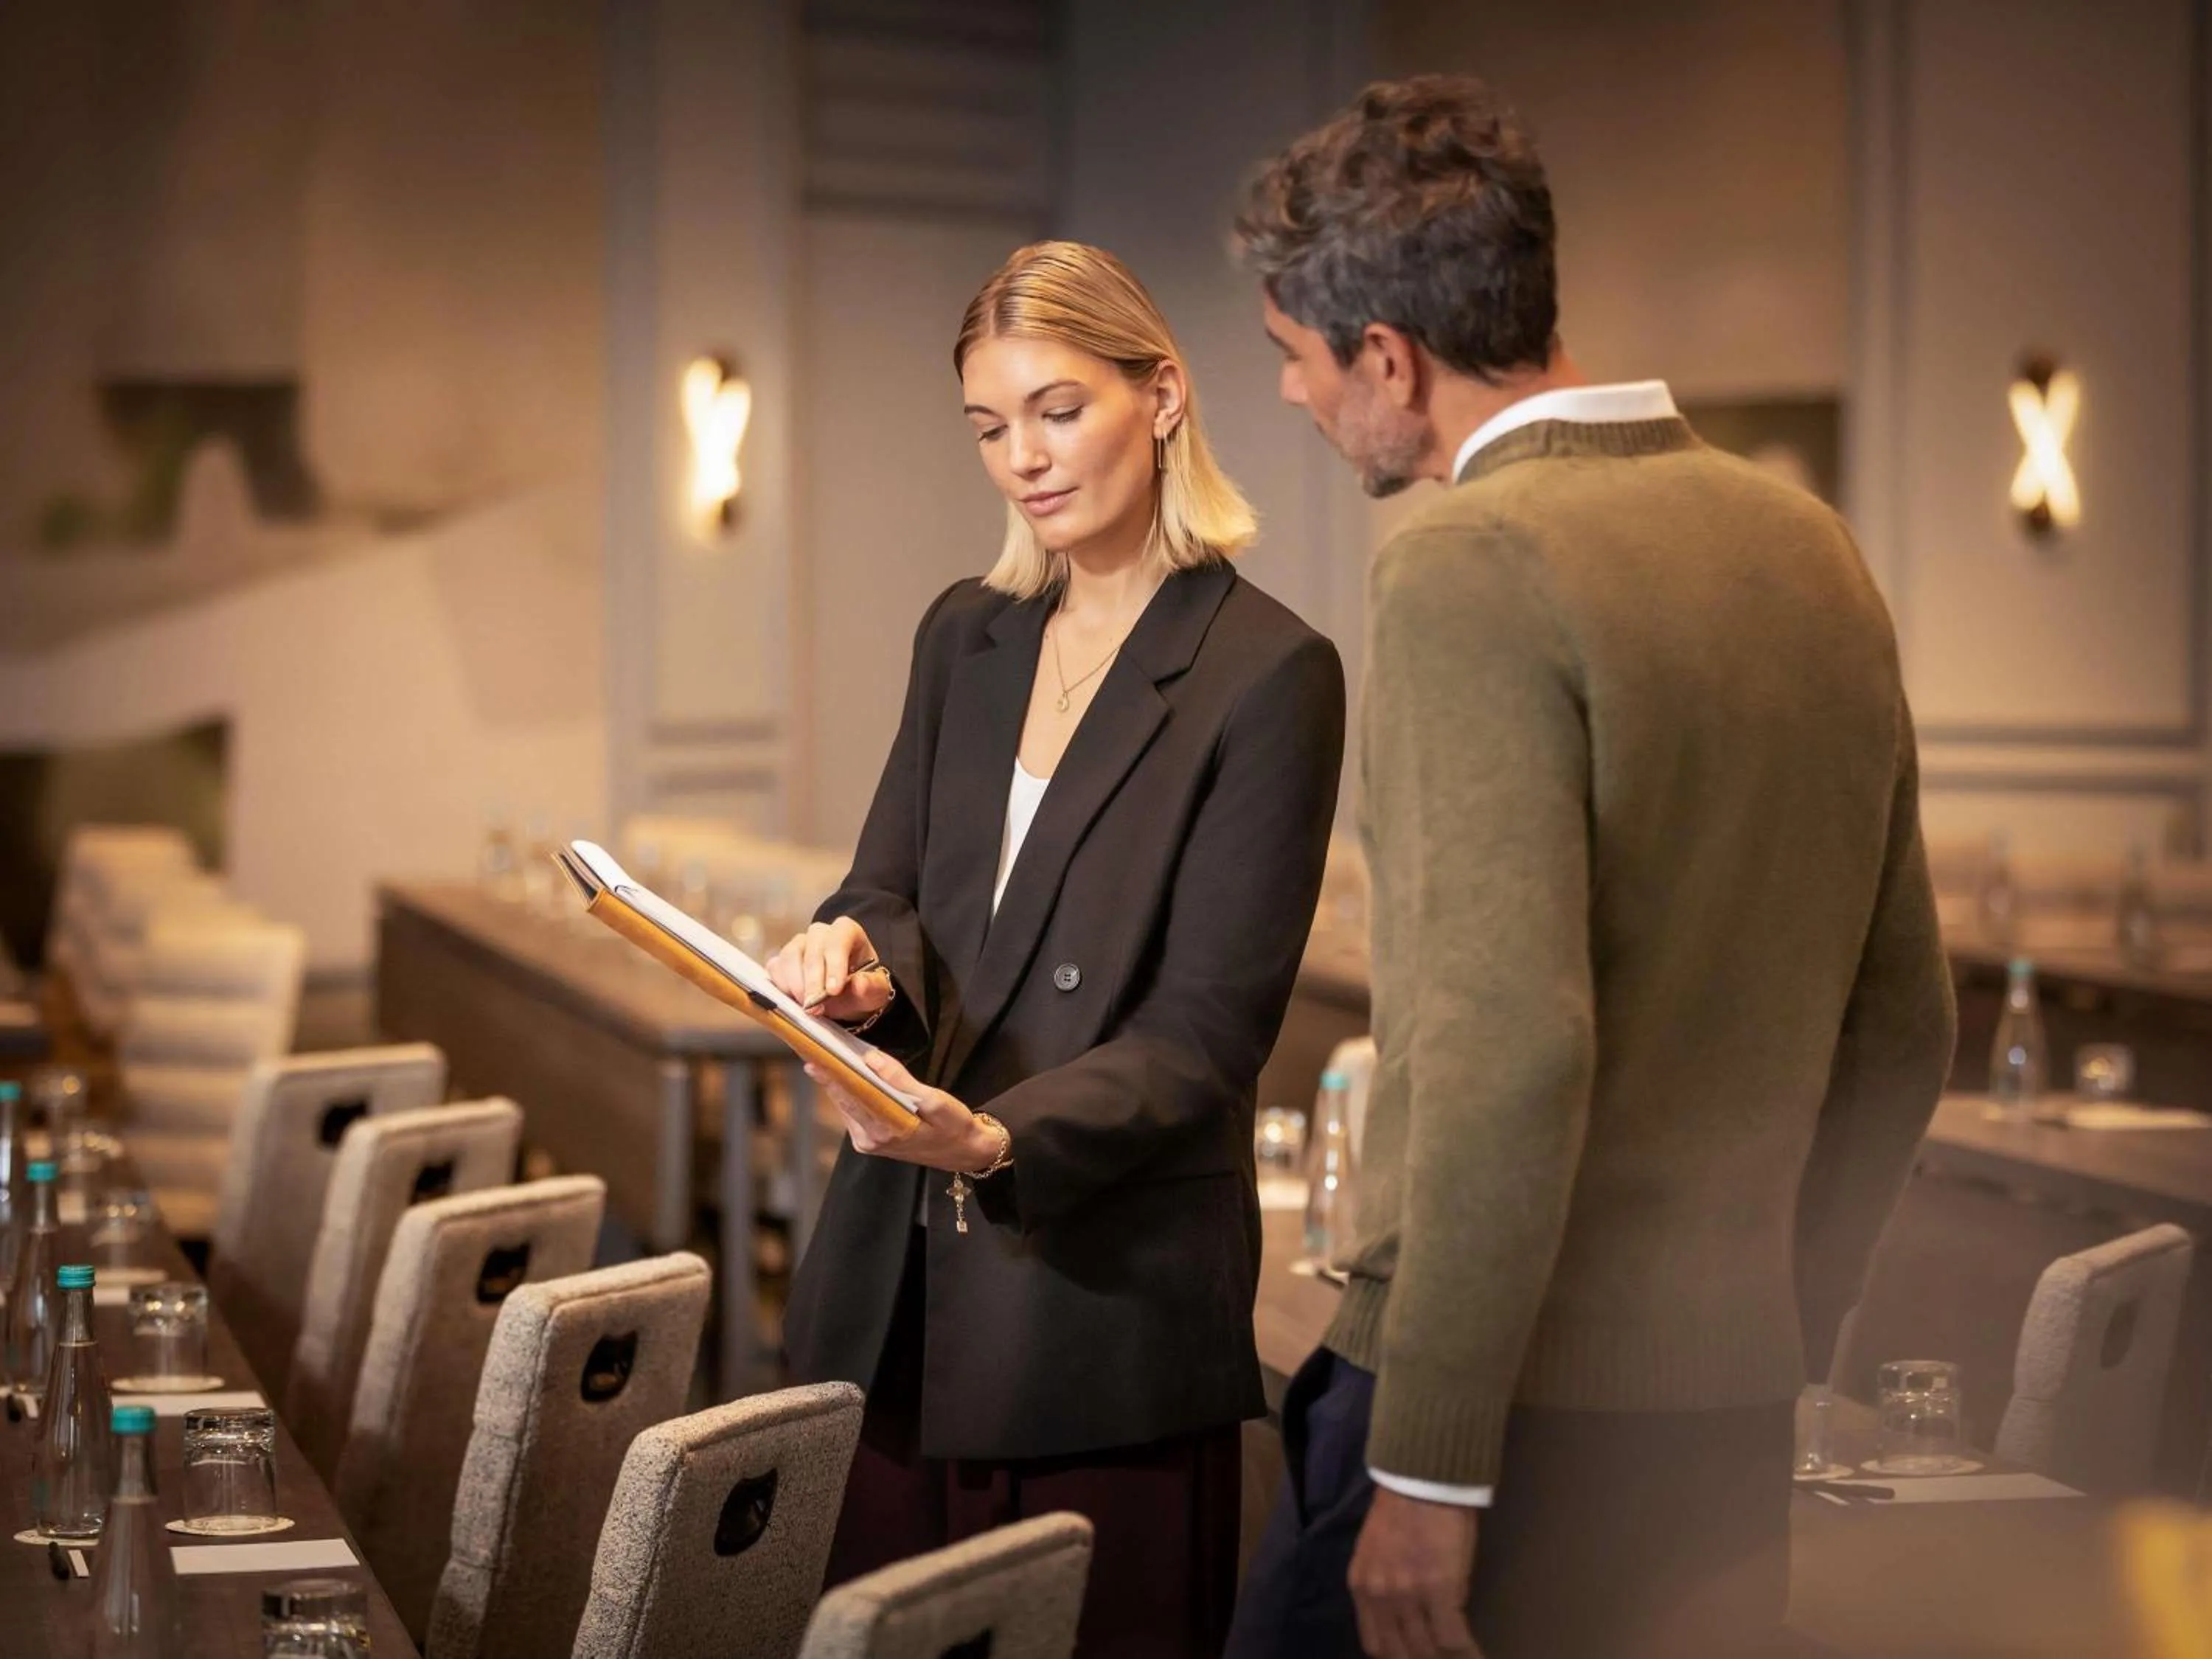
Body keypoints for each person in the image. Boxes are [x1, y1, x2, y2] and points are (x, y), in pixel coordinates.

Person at [1226, 76, 1958, 1659]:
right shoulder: (1809, 546)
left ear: (1389, 363)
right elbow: (1906, 1028)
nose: (1288, 398)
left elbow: (1505, 1051)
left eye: (1294, 360)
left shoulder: (1464, 564)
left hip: (1485, 1408)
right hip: (1727, 1409)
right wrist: (1782, 1328)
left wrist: (1430, 1467)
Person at [771, 240, 1346, 1659]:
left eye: (1056, 409)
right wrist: (851, 956)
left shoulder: (1268, 672)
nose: (1020, 456)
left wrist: (996, 1141)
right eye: (988, 425)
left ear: (1161, 398)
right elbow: (889, 885)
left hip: (1099, 1300)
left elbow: (1209, 1033)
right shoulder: (965, 633)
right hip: (900, 1289)